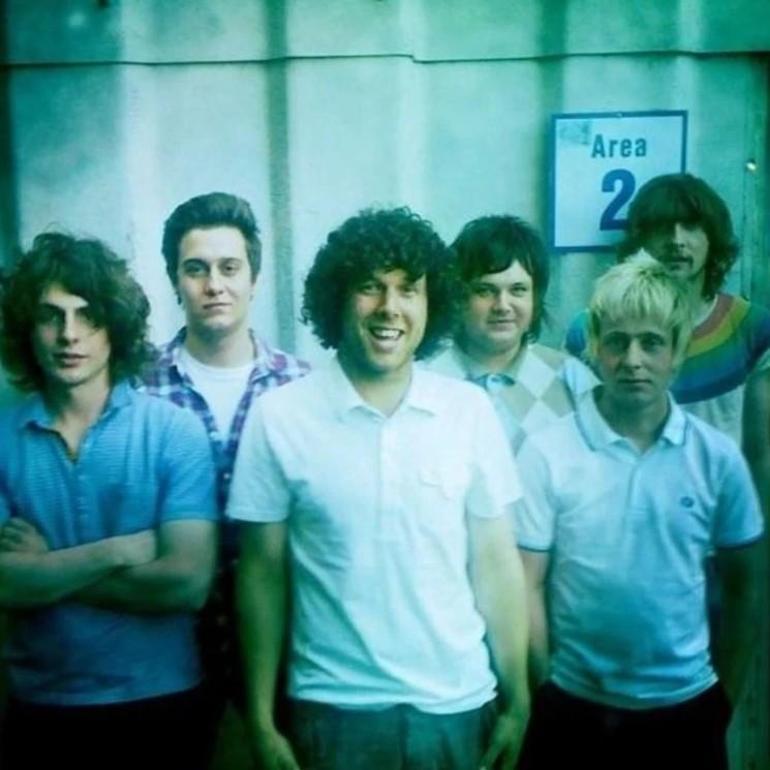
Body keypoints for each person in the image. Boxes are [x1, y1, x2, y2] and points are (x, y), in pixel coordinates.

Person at [228, 207, 530, 770]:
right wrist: (263, 722)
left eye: (408, 290)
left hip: (458, 708)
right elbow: (262, 576)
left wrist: (519, 701)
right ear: (337, 299)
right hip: (331, 714)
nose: (390, 307)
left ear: (431, 304)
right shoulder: (280, 416)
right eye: (370, 287)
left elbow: (496, 563)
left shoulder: (468, 412)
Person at [517, 253, 764, 770]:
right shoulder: (547, 453)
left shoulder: (716, 459)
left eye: (651, 342)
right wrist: (545, 687)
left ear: (677, 352)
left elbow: (745, 587)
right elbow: (528, 585)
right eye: (618, 342)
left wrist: (721, 702)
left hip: (686, 712)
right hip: (572, 710)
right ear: (595, 348)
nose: (633, 359)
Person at [0, 232, 218, 770]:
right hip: (40, 706)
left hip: (162, 703)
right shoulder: (2, 436)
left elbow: (187, 583)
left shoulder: (173, 431)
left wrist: (45, 569)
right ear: (27, 327)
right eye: (51, 316)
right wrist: (115, 551)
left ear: (114, 327)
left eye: (88, 316)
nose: (68, 335)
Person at [143, 192, 309, 739]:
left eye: (229, 268)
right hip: (170, 642)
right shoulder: (136, 387)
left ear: (254, 278)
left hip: (286, 635)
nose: (214, 284)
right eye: (196, 269)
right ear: (176, 280)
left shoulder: (302, 387)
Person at [564, 173, 770, 487]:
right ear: (640, 239)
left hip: (716, 504)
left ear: (712, 237)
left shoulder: (751, 327)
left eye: (691, 226)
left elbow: (761, 454)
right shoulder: (592, 329)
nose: (676, 240)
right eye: (662, 227)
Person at [428, 215, 595, 452]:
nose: (502, 306)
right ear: (459, 297)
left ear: (535, 298)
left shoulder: (570, 378)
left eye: (518, 290)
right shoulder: (425, 376)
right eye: (485, 290)